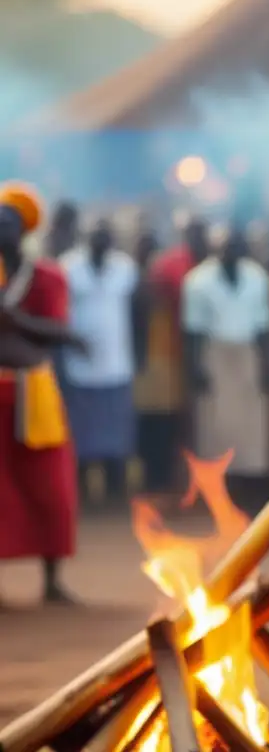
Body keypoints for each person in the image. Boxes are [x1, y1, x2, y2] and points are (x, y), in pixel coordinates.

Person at [0, 183, 85, 604]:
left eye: (8, 221)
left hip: (33, 390)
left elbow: (59, 331)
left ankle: (52, 580)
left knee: (49, 485)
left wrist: (13, 319)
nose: (1, 228)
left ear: (24, 229)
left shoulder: (47, 276)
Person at [182, 224, 269, 482]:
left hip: (247, 351)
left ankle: (251, 477)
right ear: (214, 248)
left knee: (250, 417)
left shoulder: (257, 277)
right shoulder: (197, 280)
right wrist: (195, 366)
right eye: (224, 247)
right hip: (215, 352)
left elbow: (265, 327)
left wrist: (268, 364)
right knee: (216, 419)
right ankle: (220, 479)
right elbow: (192, 331)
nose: (230, 251)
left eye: (235, 246)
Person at [60, 217, 140, 509]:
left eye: (105, 235)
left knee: (116, 435)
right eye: (95, 236)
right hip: (79, 366)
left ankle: (115, 493)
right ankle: (82, 494)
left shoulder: (125, 268)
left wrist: (139, 352)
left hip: (117, 363)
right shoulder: (68, 267)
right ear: (85, 238)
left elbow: (136, 311)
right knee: (80, 434)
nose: (101, 240)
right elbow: (58, 310)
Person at [136, 212, 209, 492]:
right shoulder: (169, 265)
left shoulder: (211, 262)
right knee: (170, 417)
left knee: (199, 418)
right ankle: (169, 479)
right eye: (192, 231)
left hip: (202, 350)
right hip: (168, 353)